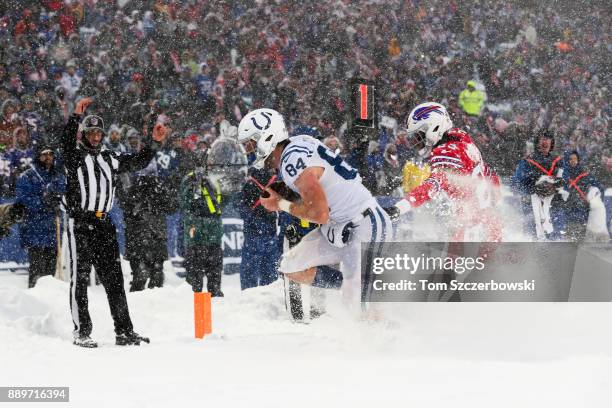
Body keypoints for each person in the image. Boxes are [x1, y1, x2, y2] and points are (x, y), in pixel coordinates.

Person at [253, 110, 391, 306]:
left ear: (266, 137)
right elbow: (318, 183)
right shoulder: (299, 142)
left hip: (364, 222)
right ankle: (351, 285)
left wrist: (280, 204)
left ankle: (363, 293)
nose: (250, 149)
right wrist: (288, 192)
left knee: (368, 313)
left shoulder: (292, 161)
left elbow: (319, 213)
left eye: (252, 142)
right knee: (291, 267)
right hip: (337, 227)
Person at [62, 97, 167, 348]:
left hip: (104, 223)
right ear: (84, 135)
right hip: (81, 223)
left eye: (99, 133)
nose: (96, 137)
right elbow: (65, 142)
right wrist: (76, 116)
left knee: (115, 279)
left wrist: (154, 143)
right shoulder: (75, 157)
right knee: (80, 278)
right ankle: (81, 331)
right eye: (91, 133)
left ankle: (124, 331)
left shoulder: (110, 157)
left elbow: (138, 161)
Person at [388, 102, 502, 242]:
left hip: (472, 233)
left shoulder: (445, 151)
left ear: (433, 128)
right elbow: (492, 178)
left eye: (419, 136)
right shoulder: (465, 143)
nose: (416, 142)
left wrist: (399, 208)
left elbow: (432, 185)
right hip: (490, 228)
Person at [14, 144, 65, 288]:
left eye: (51, 154)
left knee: (50, 271)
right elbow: (22, 199)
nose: (48, 157)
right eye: (44, 154)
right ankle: (34, 300)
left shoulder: (58, 175)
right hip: (34, 228)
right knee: (37, 270)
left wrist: (58, 199)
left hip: (53, 228)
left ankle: (50, 299)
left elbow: (64, 194)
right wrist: (43, 201)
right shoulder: (28, 175)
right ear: (38, 156)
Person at [179, 148, 225, 297]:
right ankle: (195, 305)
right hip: (196, 236)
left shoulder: (216, 180)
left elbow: (223, 202)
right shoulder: (189, 180)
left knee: (215, 272)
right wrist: (195, 187)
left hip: (214, 234)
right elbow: (186, 206)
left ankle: (216, 297)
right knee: (195, 278)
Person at [511, 130, 566, 240]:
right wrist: (533, 187)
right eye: (542, 139)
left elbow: (566, 183)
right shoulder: (527, 161)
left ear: (552, 143)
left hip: (553, 207)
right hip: (532, 207)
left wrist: (558, 185)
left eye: (548, 139)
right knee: (532, 241)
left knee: (556, 242)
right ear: (537, 142)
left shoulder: (559, 161)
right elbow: (515, 185)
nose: (545, 142)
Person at [562, 151, 606, 242]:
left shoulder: (585, 175)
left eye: (575, 159)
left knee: (580, 240)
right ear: (567, 161)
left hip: (582, 211)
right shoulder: (563, 174)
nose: (573, 161)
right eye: (570, 159)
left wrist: (595, 199)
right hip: (567, 211)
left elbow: (600, 187)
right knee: (568, 241)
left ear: (578, 160)